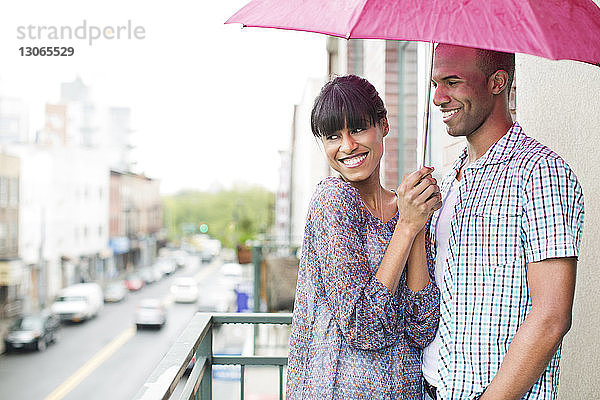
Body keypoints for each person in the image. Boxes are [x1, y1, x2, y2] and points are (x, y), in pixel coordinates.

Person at [421, 44, 585, 400]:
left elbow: (551, 317)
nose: (438, 97)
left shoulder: (540, 173)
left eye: (452, 82)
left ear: (497, 82)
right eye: (435, 83)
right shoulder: (446, 182)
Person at [286, 75, 442, 400]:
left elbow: (422, 326)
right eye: (332, 136)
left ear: (383, 125)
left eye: (357, 129)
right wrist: (406, 228)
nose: (347, 146)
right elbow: (363, 326)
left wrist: (414, 221)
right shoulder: (332, 201)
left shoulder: (407, 208)